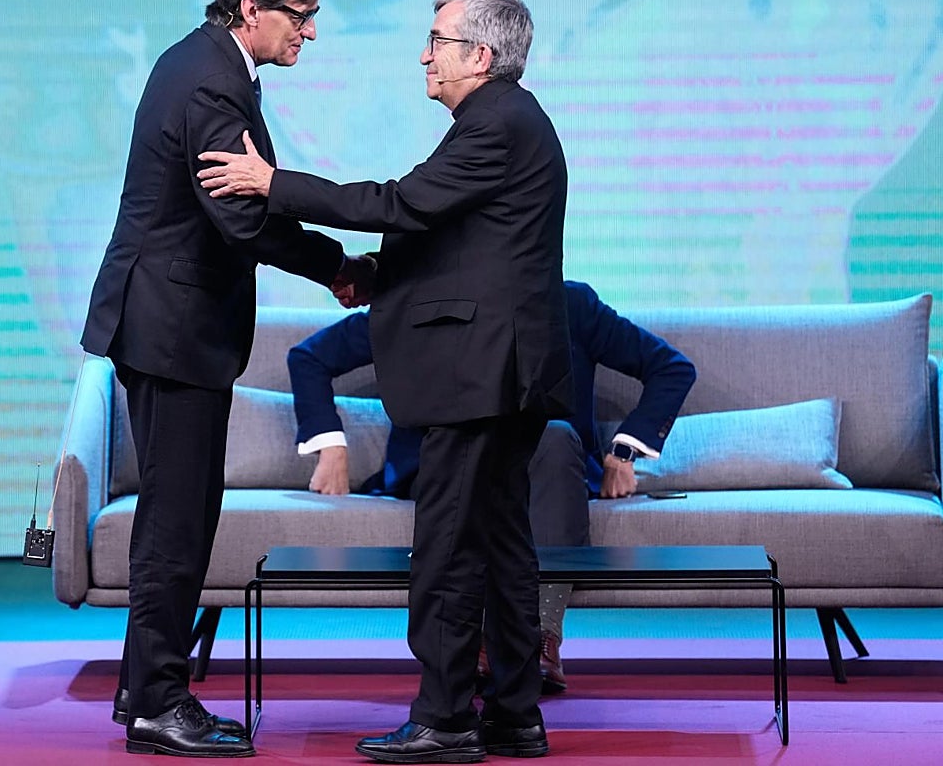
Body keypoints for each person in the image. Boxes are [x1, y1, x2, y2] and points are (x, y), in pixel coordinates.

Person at [199, 0, 571, 763]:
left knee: (447, 548)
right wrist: (368, 272)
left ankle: (444, 719)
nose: (425, 54)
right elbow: (448, 237)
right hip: (503, 375)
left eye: (437, 39)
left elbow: (398, 204)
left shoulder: (496, 122)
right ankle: (512, 712)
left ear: (480, 55)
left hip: (482, 378)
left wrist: (273, 183)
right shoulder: (503, 121)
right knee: (502, 545)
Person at [80, 0, 371, 758]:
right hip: (172, 327)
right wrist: (338, 267)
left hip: (169, 322)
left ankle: (144, 687)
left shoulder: (207, 63)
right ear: (252, 9)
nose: (309, 33)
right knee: (178, 519)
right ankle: (159, 706)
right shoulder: (212, 80)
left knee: (179, 512)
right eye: (301, 16)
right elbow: (242, 215)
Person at [287, 281, 697, 694]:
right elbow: (310, 358)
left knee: (552, 435)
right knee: (466, 444)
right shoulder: (420, 302)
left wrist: (624, 452)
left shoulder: (568, 303)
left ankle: (540, 637)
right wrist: (332, 447)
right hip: (445, 459)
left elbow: (671, 368)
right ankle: (478, 644)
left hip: (546, 466)